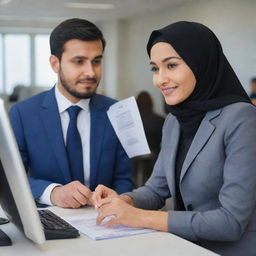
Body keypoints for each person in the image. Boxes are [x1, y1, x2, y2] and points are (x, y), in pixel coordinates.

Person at [92, 21, 256, 256]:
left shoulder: (242, 118)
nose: (160, 80)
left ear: (201, 64)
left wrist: (140, 217)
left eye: (171, 65)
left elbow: (230, 222)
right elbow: (156, 190)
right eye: (155, 69)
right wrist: (124, 201)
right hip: (185, 247)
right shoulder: (174, 120)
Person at [9, 18, 133, 209]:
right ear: (55, 64)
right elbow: (12, 179)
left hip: (105, 223)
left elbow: (124, 179)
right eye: (79, 62)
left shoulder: (117, 112)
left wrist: (118, 200)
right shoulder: (23, 114)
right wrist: (53, 192)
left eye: (96, 61)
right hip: (50, 223)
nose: (90, 72)